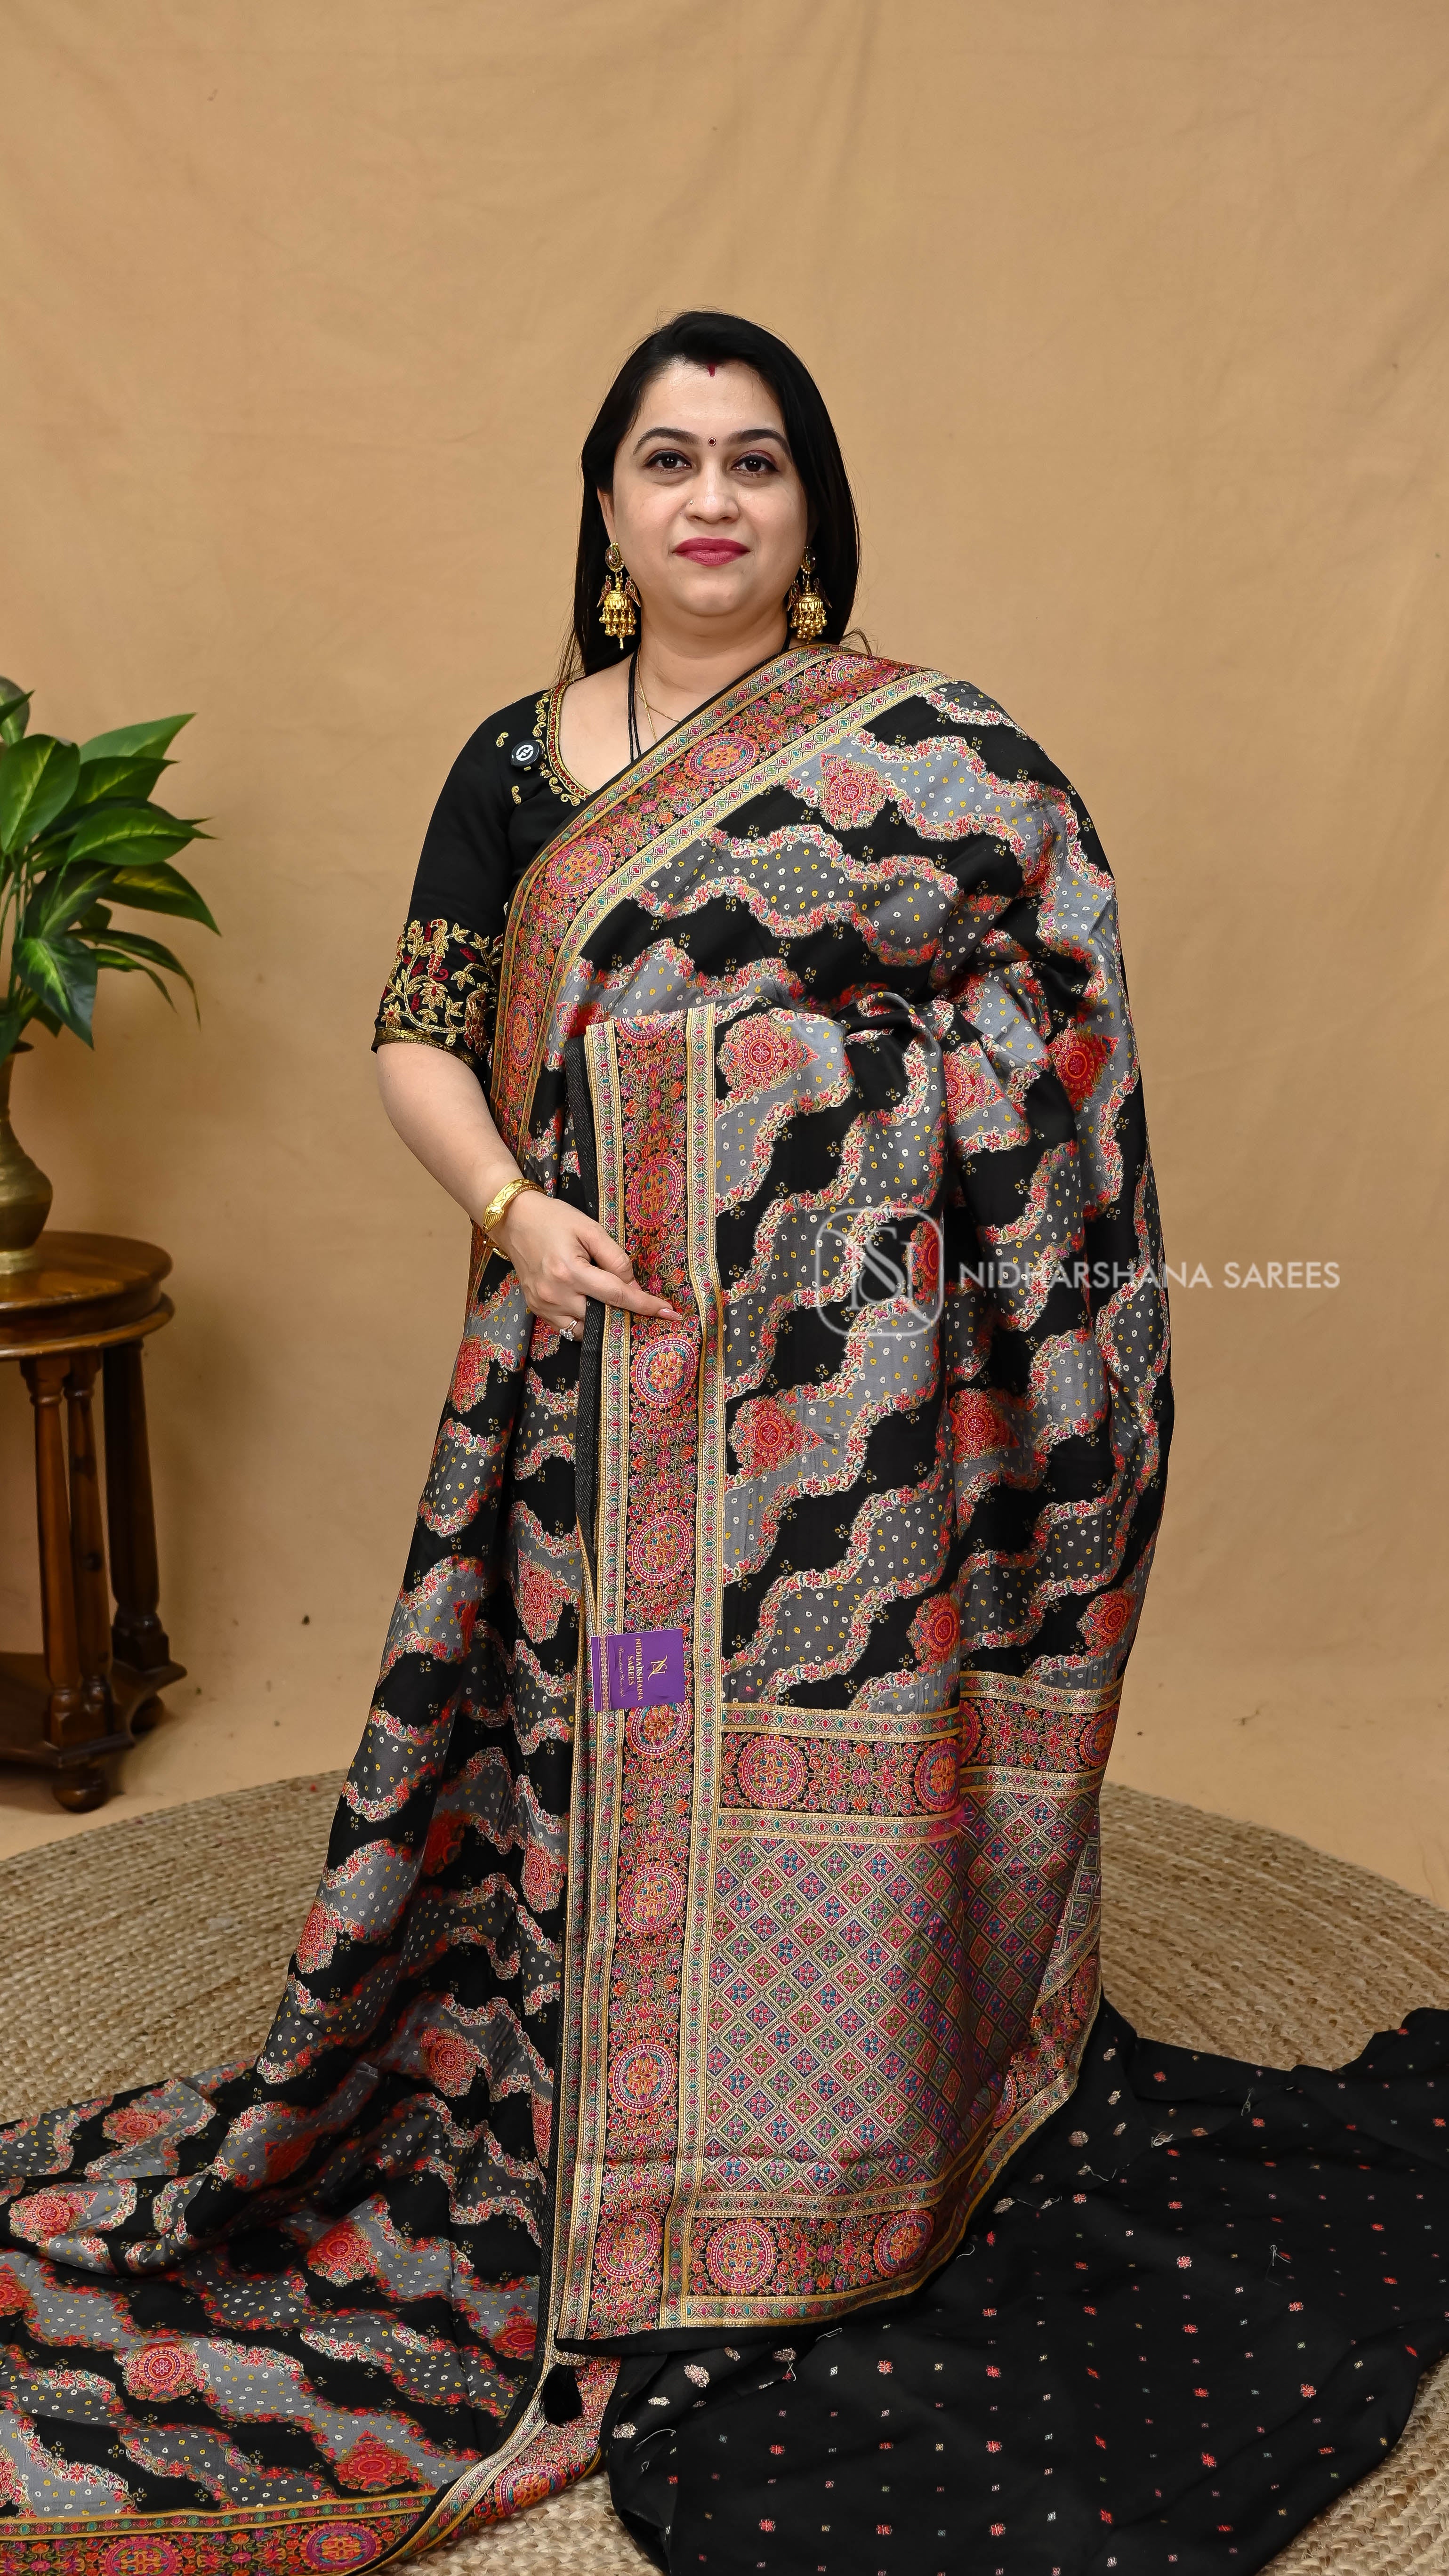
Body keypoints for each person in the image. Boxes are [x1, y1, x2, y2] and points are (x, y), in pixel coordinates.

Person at [0, 313, 1443, 2575]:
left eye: (753, 461)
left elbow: (1055, 1054)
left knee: (831, 1747)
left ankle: (833, 2147)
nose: (708, 499)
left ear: (808, 508)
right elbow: (414, 1031)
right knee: (600, 1738)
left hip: (874, 1418)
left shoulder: (940, 760)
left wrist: (786, 1128)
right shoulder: (515, 761)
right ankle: (592, 2123)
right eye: (665, 458)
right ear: (603, 506)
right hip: (592, 1390)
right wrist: (517, 1207)